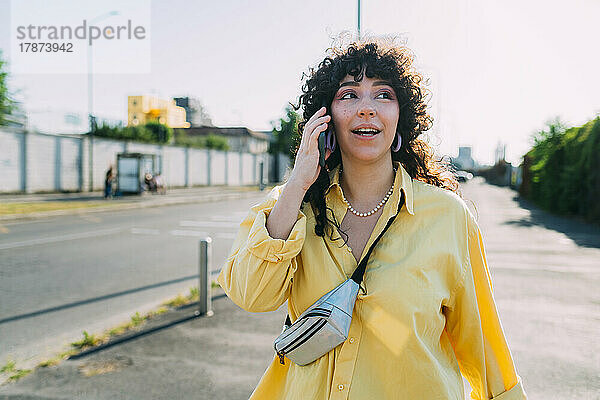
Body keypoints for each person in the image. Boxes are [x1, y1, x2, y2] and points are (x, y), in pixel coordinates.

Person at [218, 38, 527, 399]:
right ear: (325, 116)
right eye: (349, 95)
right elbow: (250, 295)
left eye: (383, 95)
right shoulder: (293, 205)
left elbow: (484, 345)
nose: (367, 109)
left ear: (402, 115)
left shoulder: (448, 217)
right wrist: (298, 182)